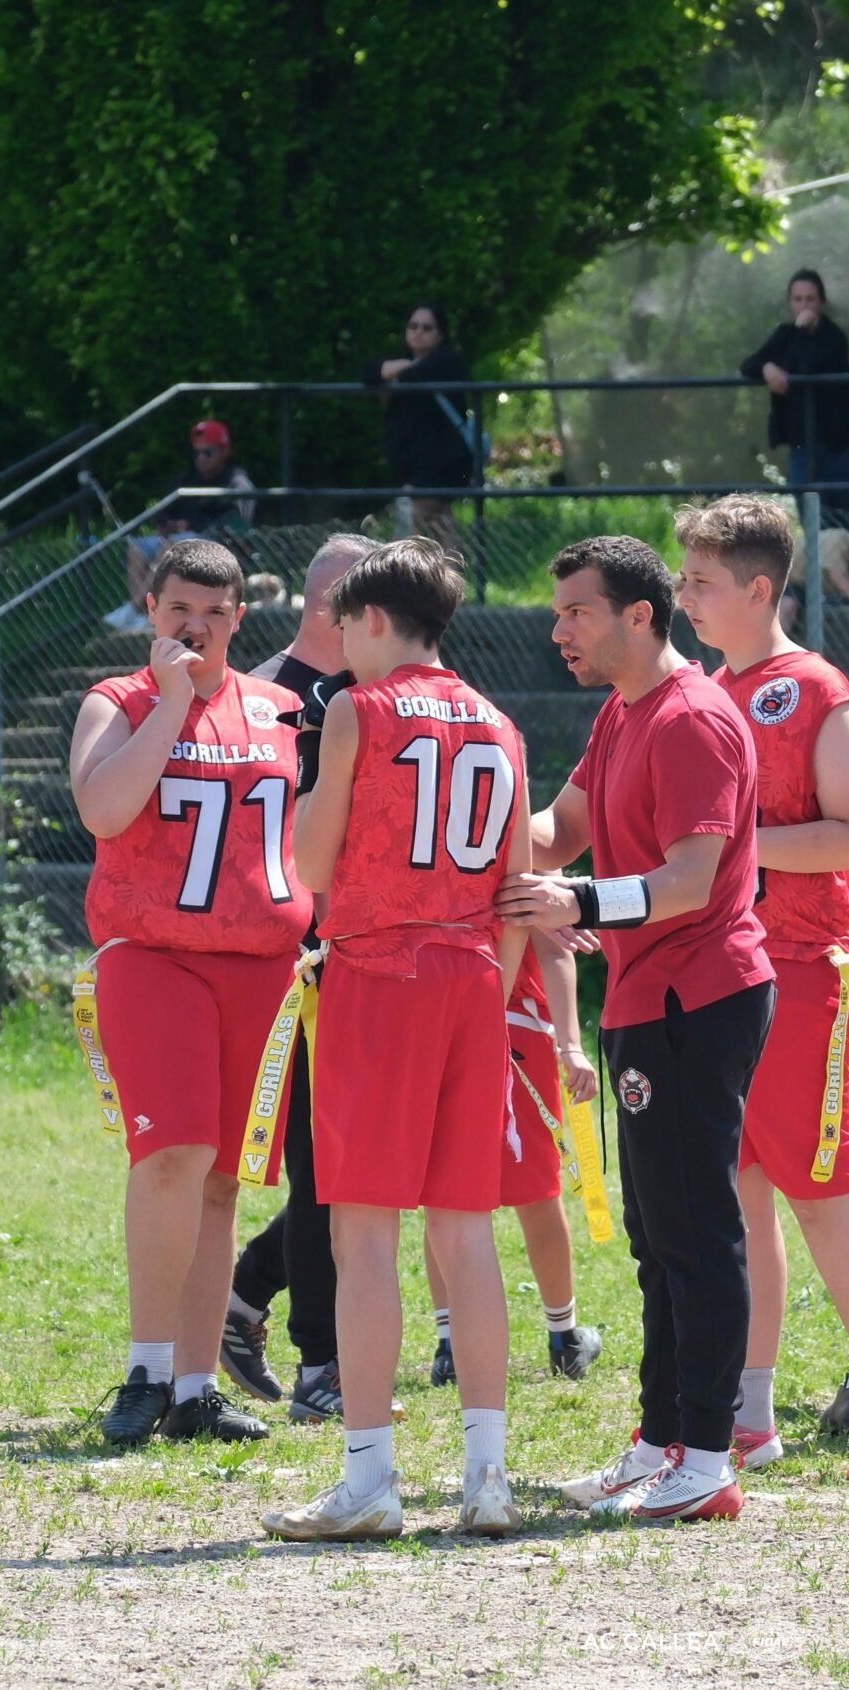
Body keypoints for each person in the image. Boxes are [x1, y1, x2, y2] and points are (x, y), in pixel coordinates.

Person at [673, 493, 849, 1483]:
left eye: (701, 581)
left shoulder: (812, 686)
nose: (683, 596)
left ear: (758, 589)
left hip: (797, 969)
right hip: (728, 972)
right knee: (742, 1193)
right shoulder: (709, 686)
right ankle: (750, 1413)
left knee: (823, 1189)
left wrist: (730, 855)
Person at [262, 537, 535, 1542]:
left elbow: (309, 857)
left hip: (381, 973)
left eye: (341, 628)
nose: (336, 649)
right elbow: (517, 885)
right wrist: (488, 993)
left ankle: (370, 1476)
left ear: (371, 618)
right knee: (464, 1236)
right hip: (472, 977)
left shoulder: (355, 711)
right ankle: (487, 1476)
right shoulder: (500, 722)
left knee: (362, 1232)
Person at [500, 535, 775, 1524]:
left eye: (576, 610)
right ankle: (661, 1439)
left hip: (699, 998)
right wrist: (461, 823)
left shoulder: (694, 720)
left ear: (638, 615)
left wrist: (568, 899)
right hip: (644, 999)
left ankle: (708, 1455)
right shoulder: (622, 712)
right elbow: (554, 830)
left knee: (696, 1230)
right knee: (657, 1236)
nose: (557, 628)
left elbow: (690, 881)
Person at [68, 537, 297, 1450]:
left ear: (239, 617)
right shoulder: (115, 701)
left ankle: (198, 1387)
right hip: (154, 953)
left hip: (262, 964)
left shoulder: (280, 711)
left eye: (212, 613)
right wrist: (170, 704)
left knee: (219, 1179)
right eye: (176, 612)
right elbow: (104, 810)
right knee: (170, 1155)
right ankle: (146, 1367)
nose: (194, 628)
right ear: (151, 612)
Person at [223, 535, 372, 1421]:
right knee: (324, 1165)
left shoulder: (385, 687)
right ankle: (322, 1359)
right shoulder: (266, 697)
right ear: (336, 607)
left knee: (375, 1166)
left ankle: (246, 1290)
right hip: (306, 960)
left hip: (388, 948)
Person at [423, 913, 605, 1385]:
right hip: (511, 1023)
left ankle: (449, 1346)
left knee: (446, 1195)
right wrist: (570, 1044)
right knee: (537, 1193)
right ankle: (563, 1336)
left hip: (436, 1018)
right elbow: (553, 946)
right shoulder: (525, 844)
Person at [740, 270, 849, 529]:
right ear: (790, 303)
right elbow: (749, 364)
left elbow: (807, 366)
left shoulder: (834, 337)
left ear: (821, 302)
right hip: (803, 444)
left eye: (810, 299)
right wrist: (767, 368)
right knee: (812, 517)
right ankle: (826, 568)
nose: (804, 306)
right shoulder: (785, 334)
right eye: (797, 299)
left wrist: (802, 332)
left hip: (842, 445)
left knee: (843, 518)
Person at [108, 419, 257, 632]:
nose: (201, 459)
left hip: (217, 545)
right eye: (197, 453)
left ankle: (133, 609)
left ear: (224, 452)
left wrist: (188, 525)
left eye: (208, 453)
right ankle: (142, 614)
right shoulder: (187, 479)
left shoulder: (236, 483)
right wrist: (167, 524)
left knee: (174, 545)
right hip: (176, 539)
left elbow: (235, 524)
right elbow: (165, 512)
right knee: (138, 546)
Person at [363, 301, 475, 560]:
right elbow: (368, 373)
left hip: (444, 461)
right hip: (416, 463)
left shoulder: (449, 362)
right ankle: (450, 584)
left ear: (440, 334)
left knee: (408, 511)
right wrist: (399, 368)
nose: (418, 332)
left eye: (427, 327)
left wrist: (394, 371)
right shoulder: (406, 361)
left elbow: (415, 376)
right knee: (440, 523)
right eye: (413, 326)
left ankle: (398, 577)